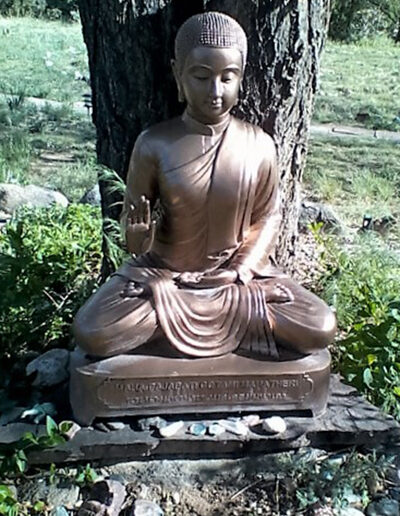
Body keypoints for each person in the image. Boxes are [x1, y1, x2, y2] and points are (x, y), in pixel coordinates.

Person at [73, 12, 336, 360]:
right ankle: (228, 318)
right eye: (201, 76)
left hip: (238, 281)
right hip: (166, 279)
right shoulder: (154, 143)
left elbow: (267, 218)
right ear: (178, 75)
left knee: (320, 326)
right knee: (92, 330)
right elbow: (134, 235)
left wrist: (239, 271)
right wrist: (138, 236)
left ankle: (186, 323)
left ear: (241, 77)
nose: (215, 91)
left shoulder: (259, 145)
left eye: (227, 78)